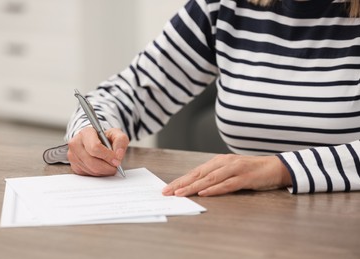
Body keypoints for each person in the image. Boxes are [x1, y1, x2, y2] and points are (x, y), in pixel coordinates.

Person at [64, 0, 360, 195]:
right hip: (249, 227)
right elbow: (131, 91)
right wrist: (89, 133)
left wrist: (280, 169)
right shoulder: (222, 7)